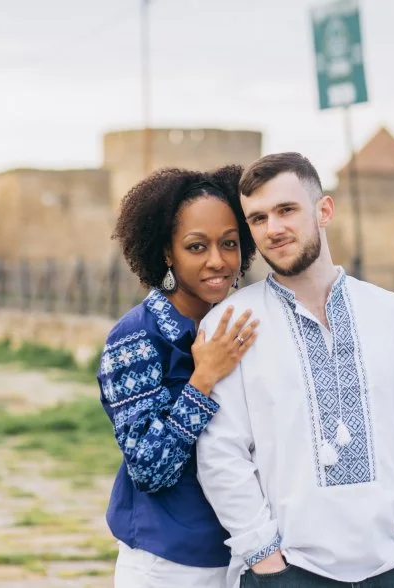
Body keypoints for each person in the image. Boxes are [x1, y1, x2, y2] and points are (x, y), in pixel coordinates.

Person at [195, 152, 394, 588]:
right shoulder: (231, 323)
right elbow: (221, 453)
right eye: (258, 219)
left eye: (286, 210)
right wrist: (265, 557)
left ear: (324, 210)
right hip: (287, 572)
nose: (273, 228)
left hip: (391, 567)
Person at [96, 164, 260, 587]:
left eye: (229, 243)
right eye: (196, 246)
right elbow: (149, 469)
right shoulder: (136, 338)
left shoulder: (243, 325)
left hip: (248, 554)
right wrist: (203, 379)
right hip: (168, 564)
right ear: (167, 253)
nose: (217, 261)